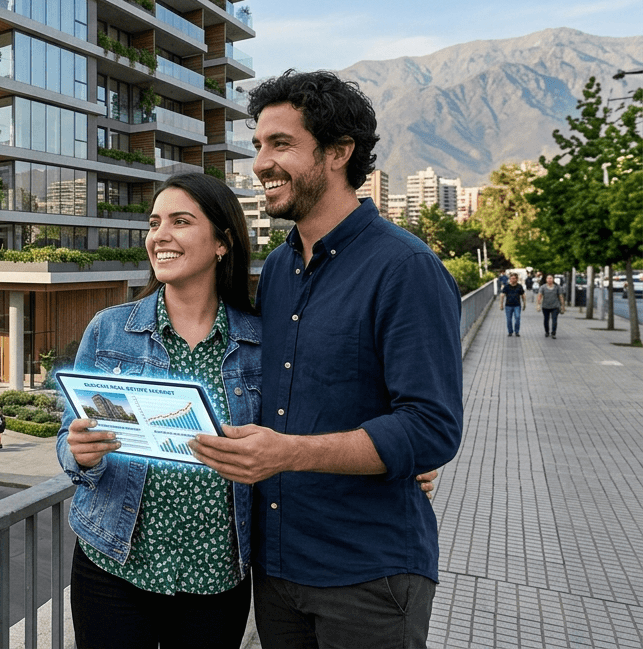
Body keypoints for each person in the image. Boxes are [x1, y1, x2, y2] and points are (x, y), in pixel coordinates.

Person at [191, 70, 462, 648]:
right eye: (258, 145)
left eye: (281, 144)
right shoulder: (280, 269)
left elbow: (432, 427)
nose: (260, 163)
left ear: (339, 153)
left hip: (370, 575)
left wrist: (290, 453)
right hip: (279, 571)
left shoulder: (404, 268)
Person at [58, 173, 263, 648]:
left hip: (215, 577)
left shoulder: (261, 342)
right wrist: (81, 453)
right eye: (154, 223)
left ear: (222, 243)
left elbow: (299, 432)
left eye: (181, 221)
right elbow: (67, 438)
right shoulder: (108, 330)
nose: (159, 235)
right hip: (112, 565)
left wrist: (391, 466)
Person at [501, 272, 526, 336]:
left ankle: (517, 331)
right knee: (509, 319)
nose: (512, 280)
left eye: (514, 278)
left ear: (517, 279)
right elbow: (502, 295)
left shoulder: (519, 286)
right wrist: (501, 304)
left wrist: (524, 303)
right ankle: (510, 331)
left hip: (517, 305)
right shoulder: (506, 287)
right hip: (508, 306)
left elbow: (523, 295)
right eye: (511, 278)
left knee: (517, 318)